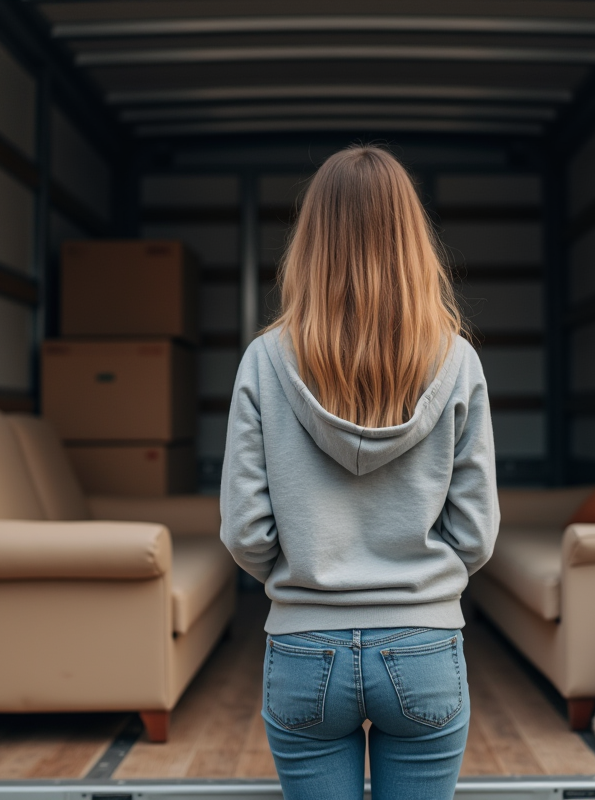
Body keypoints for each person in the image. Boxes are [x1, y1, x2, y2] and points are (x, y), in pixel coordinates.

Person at [219, 144, 501, 800]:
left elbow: (245, 532)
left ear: (310, 242)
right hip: (423, 646)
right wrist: (423, 584)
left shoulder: (264, 361)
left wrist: (303, 580)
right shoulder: (458, 361)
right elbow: (477, 532)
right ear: (412, 240)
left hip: (303, 649)